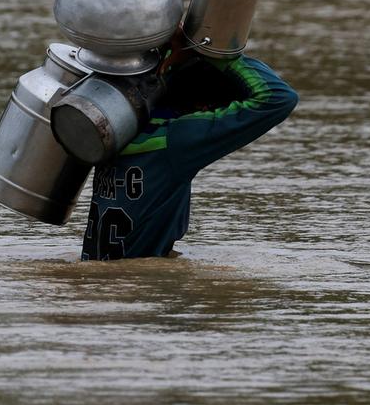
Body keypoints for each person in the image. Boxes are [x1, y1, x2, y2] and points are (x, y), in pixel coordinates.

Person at [79, 36, 298, 261]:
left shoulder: (118, 127)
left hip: (98, 269)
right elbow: (279, 98)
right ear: (205, 107)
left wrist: (173, 49)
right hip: (134, 287)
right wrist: (222, 55)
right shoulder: (177, 140)